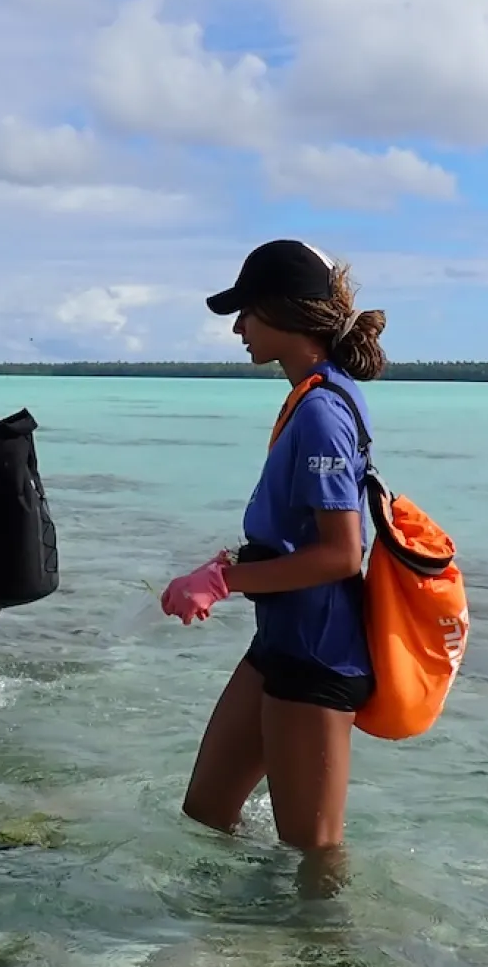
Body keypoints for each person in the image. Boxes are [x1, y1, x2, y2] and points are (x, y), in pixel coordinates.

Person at [158, 239, 385, 890]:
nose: (237, 329)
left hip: (317, 660)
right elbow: (292, 534)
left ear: (283, 313)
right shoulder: (308, 397)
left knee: (313, 860)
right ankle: (238, 943)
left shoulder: (321, 412)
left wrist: (225, 581)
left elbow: (343, 555)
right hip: (277, 644)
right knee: (204, 815)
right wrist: (227, 561)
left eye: (247, 313)